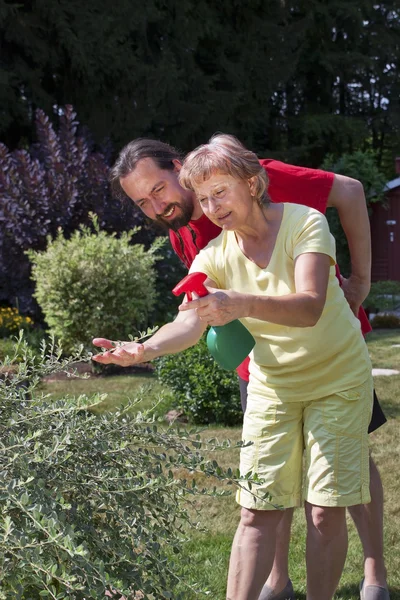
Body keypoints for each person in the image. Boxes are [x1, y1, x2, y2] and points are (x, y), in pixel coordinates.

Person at [100, 138, 389, 600]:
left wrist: (243, 303)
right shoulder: (209, 252)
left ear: (253, 184)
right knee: (256, 510)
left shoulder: (303, 221)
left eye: (221, 193)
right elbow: (189, 321)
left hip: (336, 376)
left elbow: (310, 306)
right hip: (272, 381)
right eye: (206, 197)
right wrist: (143, 350)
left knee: (324, 509)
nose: (211, 208)